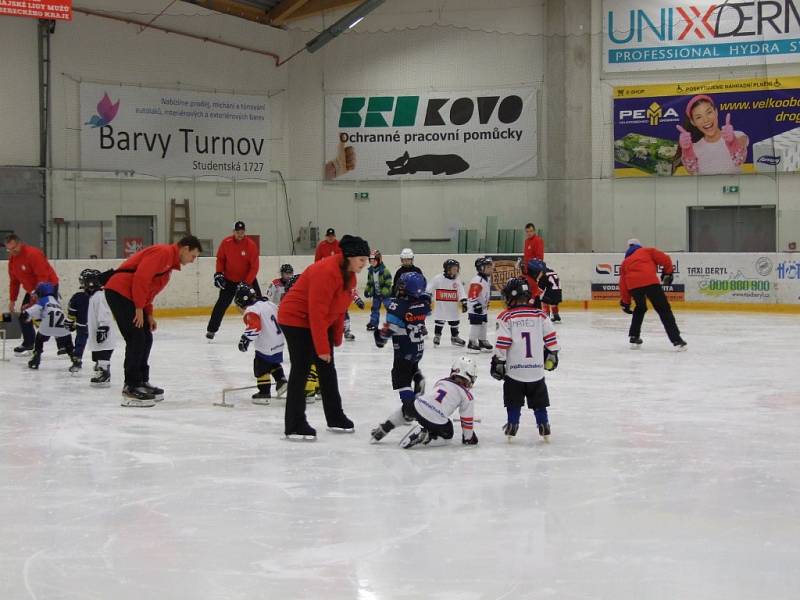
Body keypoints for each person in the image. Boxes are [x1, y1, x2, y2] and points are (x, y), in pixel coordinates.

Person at [278, 234, 370, 440]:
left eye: (366, 259)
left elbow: (338, 308)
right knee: (301, 368)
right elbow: (317, 312)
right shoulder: (326, 272)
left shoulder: (350, 275)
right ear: (348, 256)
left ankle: (335, 416)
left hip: (318, 320)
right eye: (362, 259)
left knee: (327, 369)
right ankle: (294, 424)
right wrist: (322, 348)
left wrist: (335, 338)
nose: (365, 264)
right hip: (295, 319)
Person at [105, 235, 202, 407]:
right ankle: (131, 385)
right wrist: (138, 308)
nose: (192, 260)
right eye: (193, 256)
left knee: (146, 336)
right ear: (185, 248)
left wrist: (148, 313)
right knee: (136, 337)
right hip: (120, 292)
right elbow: (141, 278)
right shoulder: (163, 253)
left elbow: (150, 289)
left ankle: (142, 381)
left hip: (132, 297)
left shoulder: (169, 265)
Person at [491, 277, 560, 441]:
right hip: (536, 370)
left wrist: (499, 361)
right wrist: (553, 353)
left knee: (513, 401)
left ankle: (512, 424)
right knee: (539, 401)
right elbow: (551, 338)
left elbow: (503, 343)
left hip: (515, 371)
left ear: (511, 296)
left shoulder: (506, 317)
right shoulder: (540, 315)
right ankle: (544, 425)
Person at [369, 271, 430, 442]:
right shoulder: (423, 303)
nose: (399, 289)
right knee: (412, 368)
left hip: (403, 351)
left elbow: (386, 334)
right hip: (417, 349)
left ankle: (411, 410)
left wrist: (379, 336)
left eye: (403, 287)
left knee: (402, 380)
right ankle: (417, 377)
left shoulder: (398, 306)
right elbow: (420, 320)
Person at [373, 356, 479, 449]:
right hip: (435, 418)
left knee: (405, 410)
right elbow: (467, 420)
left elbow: (433, 400)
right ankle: (426, 437)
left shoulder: (442, 381)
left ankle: (385, 427)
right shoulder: (467, 396)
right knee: (448, 435)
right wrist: (468, 438)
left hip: (417, 405)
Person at [619, 239, 687, 351]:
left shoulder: (625, 263)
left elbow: (622, 284)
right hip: (650, 283)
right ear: (639, 246)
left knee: (640, 308)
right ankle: (677, 340)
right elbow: (665, 259)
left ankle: (634, 337)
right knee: (664, 310)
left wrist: (626, 303)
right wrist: (668, 273)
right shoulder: (647, 251)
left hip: (634, 287)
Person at [4, 233, 60, 355]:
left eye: (13, 248)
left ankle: (64, 345)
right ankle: (29, 343)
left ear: (20, 244)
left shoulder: (33, 254)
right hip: (32, 290)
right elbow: (14, 282)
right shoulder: (12, 260)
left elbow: (42, 275)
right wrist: (12, 300)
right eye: (9, 249)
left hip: (48, 286)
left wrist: (38, 295)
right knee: (24, 315)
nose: (11, 251)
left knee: (52, 315)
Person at [234, 283, 287, 405]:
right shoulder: (269, 304)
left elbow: (255, 327)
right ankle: (281, 381)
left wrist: (245, 339)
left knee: (260, 366)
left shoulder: (252, 310)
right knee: (273, 362)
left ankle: (264, 393)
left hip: (266, 344)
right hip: (279, 342)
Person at [206, 221, 260, 340]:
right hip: (229, 280)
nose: (240, 234)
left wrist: (246, 283)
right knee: (221, 305)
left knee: (258, 304)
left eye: (242, 232)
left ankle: (262, 328)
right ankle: (211, 330)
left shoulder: (250, 245)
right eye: (238, 232)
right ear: (233, 232)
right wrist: (219, 274)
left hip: (247, 281)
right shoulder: (226, 243)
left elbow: (254, 266)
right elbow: (220, 259)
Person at [677, 95, 749, 175]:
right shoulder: (694, 148)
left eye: (709, 112)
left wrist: (733, 142)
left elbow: (739, 160)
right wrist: (687, 151)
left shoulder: (738, 135)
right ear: (693, 122)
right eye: (698, 117)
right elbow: (691, 171)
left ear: (716, 112)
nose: (706, 120)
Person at [21, 281, 75, 370]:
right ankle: (74, 358)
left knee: (39, 340)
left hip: (47, 327)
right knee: (68, 341)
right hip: (62, 327)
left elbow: (35, 310)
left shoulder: (43, 300)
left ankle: (36, 358)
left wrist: (26, 314)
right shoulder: (56, 302)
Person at [85, 269, 117, 387]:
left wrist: (103, 328)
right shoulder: (95, 296)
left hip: (103, 332)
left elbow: (105, 313)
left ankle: (104, 374)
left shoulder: (99, 296)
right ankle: (101, 369)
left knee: (103, 352)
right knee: (99, 352)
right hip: (97, 331)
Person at [66, 268, 102, 373]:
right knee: (97, 343)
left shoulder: (78, 297)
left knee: (82, 343)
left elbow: (72, 313)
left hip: (84, 326)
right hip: (93, 326)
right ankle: (99, 362)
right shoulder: (102, 296)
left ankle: (78, 360)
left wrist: (70, 322)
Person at [426, 259, 467, 347]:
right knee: (440, 320)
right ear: (447, 269)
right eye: (454, 269)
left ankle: (454, 337)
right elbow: (430, 288)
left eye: (457, 269)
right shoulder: (438, 278)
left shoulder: (457, 280)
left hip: (452, 306)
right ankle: (437, 336)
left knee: (454, 321)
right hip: (442, 305)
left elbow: (461, 291)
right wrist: (427, 298)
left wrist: (463, 301)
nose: (456, 271)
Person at [467, 257, 494, 353]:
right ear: (481, 268)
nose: (491, 269)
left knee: (484, 324)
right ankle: (472, 342)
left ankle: (482, 340)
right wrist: (475, 304)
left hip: (483, 308)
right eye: (488, 267)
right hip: (476, 308)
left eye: (491, 267)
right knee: (476, 325)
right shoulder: (477, 280)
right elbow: (472, 295)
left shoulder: (486, 279)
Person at [364, 250, 392, 331]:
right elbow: (369, 282)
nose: (372, 262)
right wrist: (367, 290)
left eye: (374, 260)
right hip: (376, 294)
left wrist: (384, 292)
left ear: (379, 260)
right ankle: (373, 323)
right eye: (371, 260)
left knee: (390, 309)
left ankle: (391, 323)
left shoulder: (385, 271)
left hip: (385, 295)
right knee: (374, 309)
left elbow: (388, 283)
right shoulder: (370, 271)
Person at [521, 222, 544, 296]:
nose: (529, 233)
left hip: (534, 270)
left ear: (534, 231)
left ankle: (536, 306)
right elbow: (526, 256)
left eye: (531, 231)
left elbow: (539, 256)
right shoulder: (526, 241)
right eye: (527, 231)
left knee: (534, 291)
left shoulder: (538, 240)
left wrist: (536, 270)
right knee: (529, 290)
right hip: (528, 270)